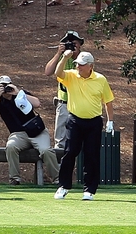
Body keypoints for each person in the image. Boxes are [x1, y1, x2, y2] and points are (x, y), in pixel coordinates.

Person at [53, 51, 114, 201]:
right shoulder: (72, 76)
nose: (78, 67)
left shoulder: (100, 79)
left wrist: (110, 121)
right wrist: (65, 57)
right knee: (69, 152)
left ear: (90, 66)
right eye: (77, 64)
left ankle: (89, 190)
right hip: (74, 120)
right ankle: (63, 186)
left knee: (91, 156)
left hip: (94, 122)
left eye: (81, 65)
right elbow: (57, 72)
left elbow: (108, 101)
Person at [0, 75, 59, 185]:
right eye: (1, 86)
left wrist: (18, 92)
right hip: (18, 134)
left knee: (46, 150)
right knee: (11, 147)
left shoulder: (21, 95)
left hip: (37, 132)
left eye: (6, 85)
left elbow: (37, 103)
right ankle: (15, 178)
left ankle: (57, 179)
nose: (5, 88)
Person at [44, 30, 85, 149]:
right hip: (64, 103)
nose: (71, 46)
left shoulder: (85, 59)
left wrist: (76, 55)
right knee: (60, 140)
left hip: (79, 104)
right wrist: (59, 54)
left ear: (80, 44)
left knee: (79, 138)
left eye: (74, 43)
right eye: (68, 43)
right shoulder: (63, 59)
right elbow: (48, 72)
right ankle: (59, 166)